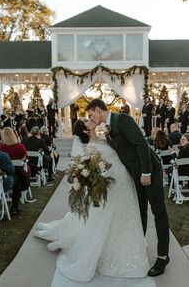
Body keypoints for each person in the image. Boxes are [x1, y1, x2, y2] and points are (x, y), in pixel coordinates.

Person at [34, 118, 149, 284]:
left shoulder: (103, 137)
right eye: (87, 122)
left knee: (123, 214)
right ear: (86, 131)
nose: (90, 120)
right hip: (113, 184)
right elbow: (99, 170)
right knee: (108, 217)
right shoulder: (91, 147)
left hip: (123, 181)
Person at [86, 98, 170, 277]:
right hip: (135, 175)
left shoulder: (122, 120)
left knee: (158, 212)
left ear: (98, 110)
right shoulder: (107, 128)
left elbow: (141, 143)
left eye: (91, 114)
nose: (91, 118)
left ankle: (163, 257)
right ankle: (140, 247)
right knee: (140, 213)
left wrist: (146, 173)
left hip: (149, 172)